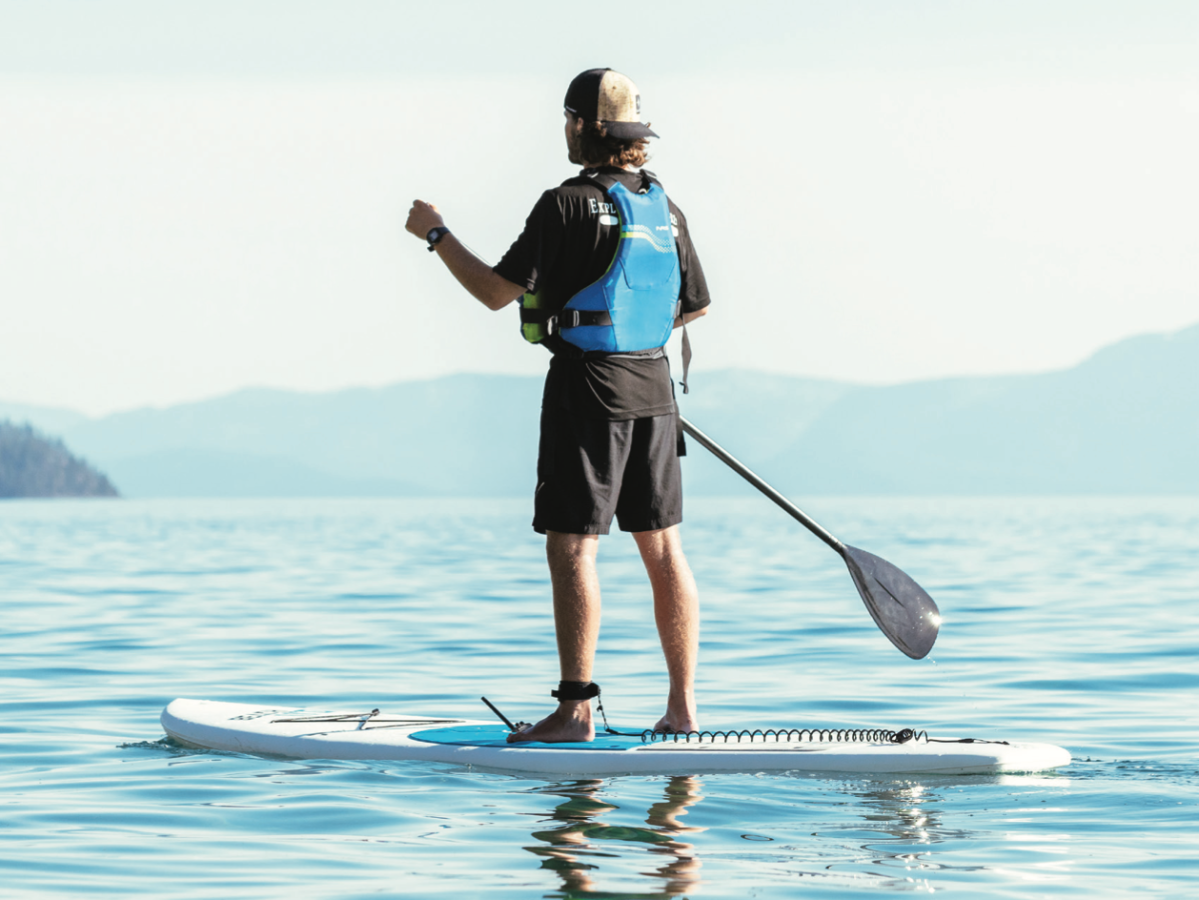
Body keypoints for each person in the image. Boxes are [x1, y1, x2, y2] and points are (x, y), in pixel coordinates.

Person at [404, 68, 710, 743]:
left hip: (588, 390)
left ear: (580, 125)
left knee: (572, 546)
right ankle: (682, 709)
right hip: (654, 390)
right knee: (663, 548)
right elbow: (693, 307)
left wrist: (436, 234)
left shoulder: (564, 204)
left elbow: (495, 292)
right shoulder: (664, 207)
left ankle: (575, 712)